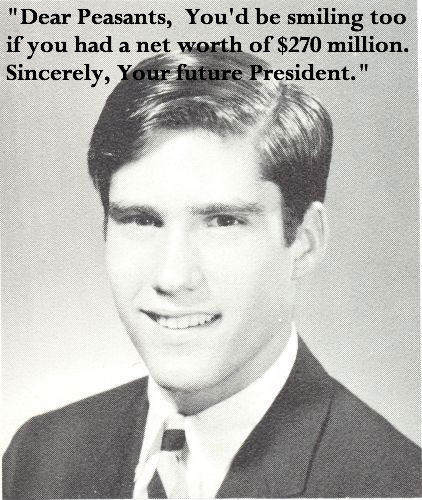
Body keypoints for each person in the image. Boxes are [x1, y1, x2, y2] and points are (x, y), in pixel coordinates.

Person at [3, 50, 421, 499]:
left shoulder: (395, 484)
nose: (173, 276)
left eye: (223, 221)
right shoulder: (37, 458)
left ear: (304, 242)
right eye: (142, 220)